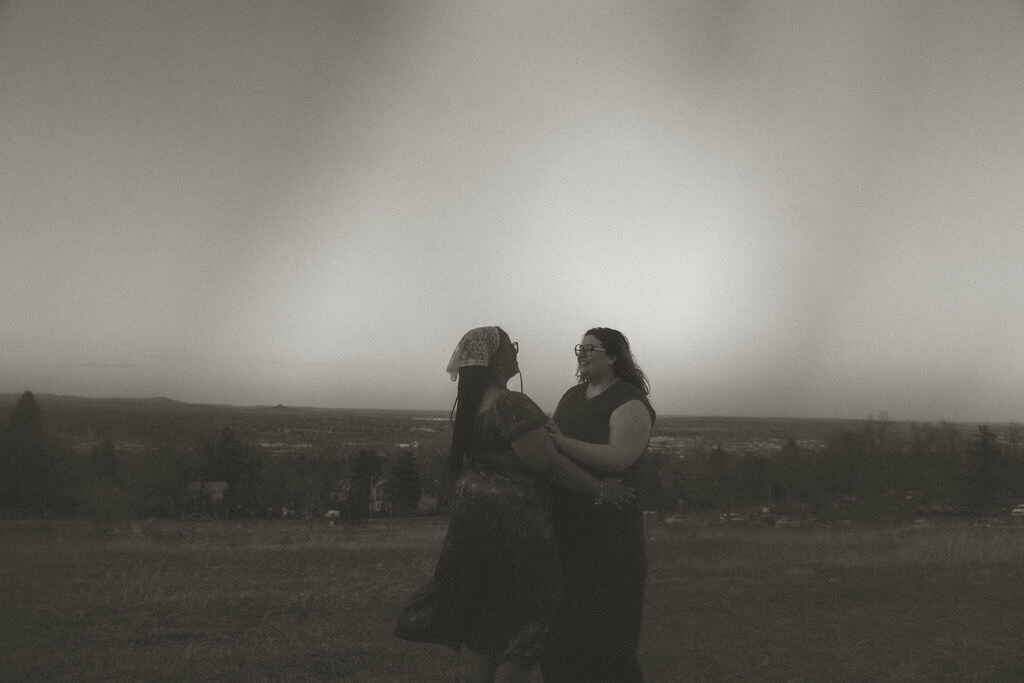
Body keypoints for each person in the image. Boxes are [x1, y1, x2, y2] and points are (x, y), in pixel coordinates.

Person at [395, 326, 633, 683]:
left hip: (474, 526)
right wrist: (600, 488)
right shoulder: (510, 404)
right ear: (495, 358)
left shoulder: (472, 406)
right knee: (529, 622)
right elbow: (547, 463)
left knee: (487, 623)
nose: (516, 352)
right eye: (511, 346)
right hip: (515, 531)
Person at [540, 327, 655, 683]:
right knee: (563, 635)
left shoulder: (629, 401)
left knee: (608, 640)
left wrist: (562, 443)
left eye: (591, 348)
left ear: (614, 355)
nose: (582, 353)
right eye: (580, 347)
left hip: (610, 534)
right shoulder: (573, 395)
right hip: (566, 527)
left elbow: (620, 457)